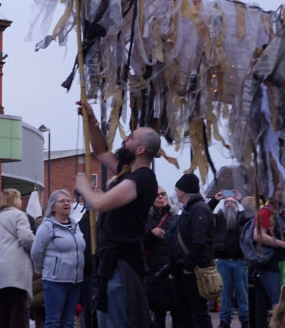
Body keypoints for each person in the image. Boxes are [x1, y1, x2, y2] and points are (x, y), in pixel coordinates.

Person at [74, 103, 159, 328]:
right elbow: (101, 151)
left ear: (140, 150)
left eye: (130, 138)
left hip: (122, 266)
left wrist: (85, 188)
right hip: (111, 265)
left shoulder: (142, 179)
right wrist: (92, 121)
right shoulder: (126, 172)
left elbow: (100, 203)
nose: (124, 140)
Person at [31, 189, 85, 328]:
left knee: (68, 321)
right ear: (53, 207)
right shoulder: (47, 226)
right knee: (54, 321)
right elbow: (36, 252)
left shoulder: (75, 225)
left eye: (68, 201)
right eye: (62, 201)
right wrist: (44, 270)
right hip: (55, 281)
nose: (66, 203)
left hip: (75, 281)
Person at [167, 173, 214, 328]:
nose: (175, 192)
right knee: (185, 312)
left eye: (177, 188)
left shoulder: (198, 209)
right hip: (184, 269)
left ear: (183, 190)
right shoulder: (191, 209)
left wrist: (188, 265)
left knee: (198, 312)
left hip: (193, 270)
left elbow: (199, 240)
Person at [0, 188, 34, 327]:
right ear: (15, 200)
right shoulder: (19, 215)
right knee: (18, 315)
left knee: (2, 315)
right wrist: (39, 247)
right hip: (15, 272)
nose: (21, 202)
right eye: (19, 198)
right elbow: (27, 238)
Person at [250, 184, 285, 324]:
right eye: (278, 189)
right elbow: (258, 236)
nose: (281, 192)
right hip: (272, 269)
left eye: (283, 189)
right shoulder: (265, 212)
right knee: (279, 310)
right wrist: (283, 244)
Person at [210, 191, 249, 328]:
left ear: (237, 205)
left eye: (233, 202)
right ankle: (224, 322)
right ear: (223, 205)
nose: (230, 204)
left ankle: (245, 321)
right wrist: (215, 199)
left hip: (239, 261)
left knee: (242, 295)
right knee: (224, 294)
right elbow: (206, 213)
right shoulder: (219, 219)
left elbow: (252, 214)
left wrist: (241, 198)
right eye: (227, 202)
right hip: (223, 262)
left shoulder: (242, 217)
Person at [143, 187, 176, 328]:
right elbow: (141, 243)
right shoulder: (146, 218)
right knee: (158, 313)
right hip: (155, 271)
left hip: (173, 270)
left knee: (178, 312)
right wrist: (151, 233)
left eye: (163, 194)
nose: (161, 197)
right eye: (157, 195)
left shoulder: (175, 216)